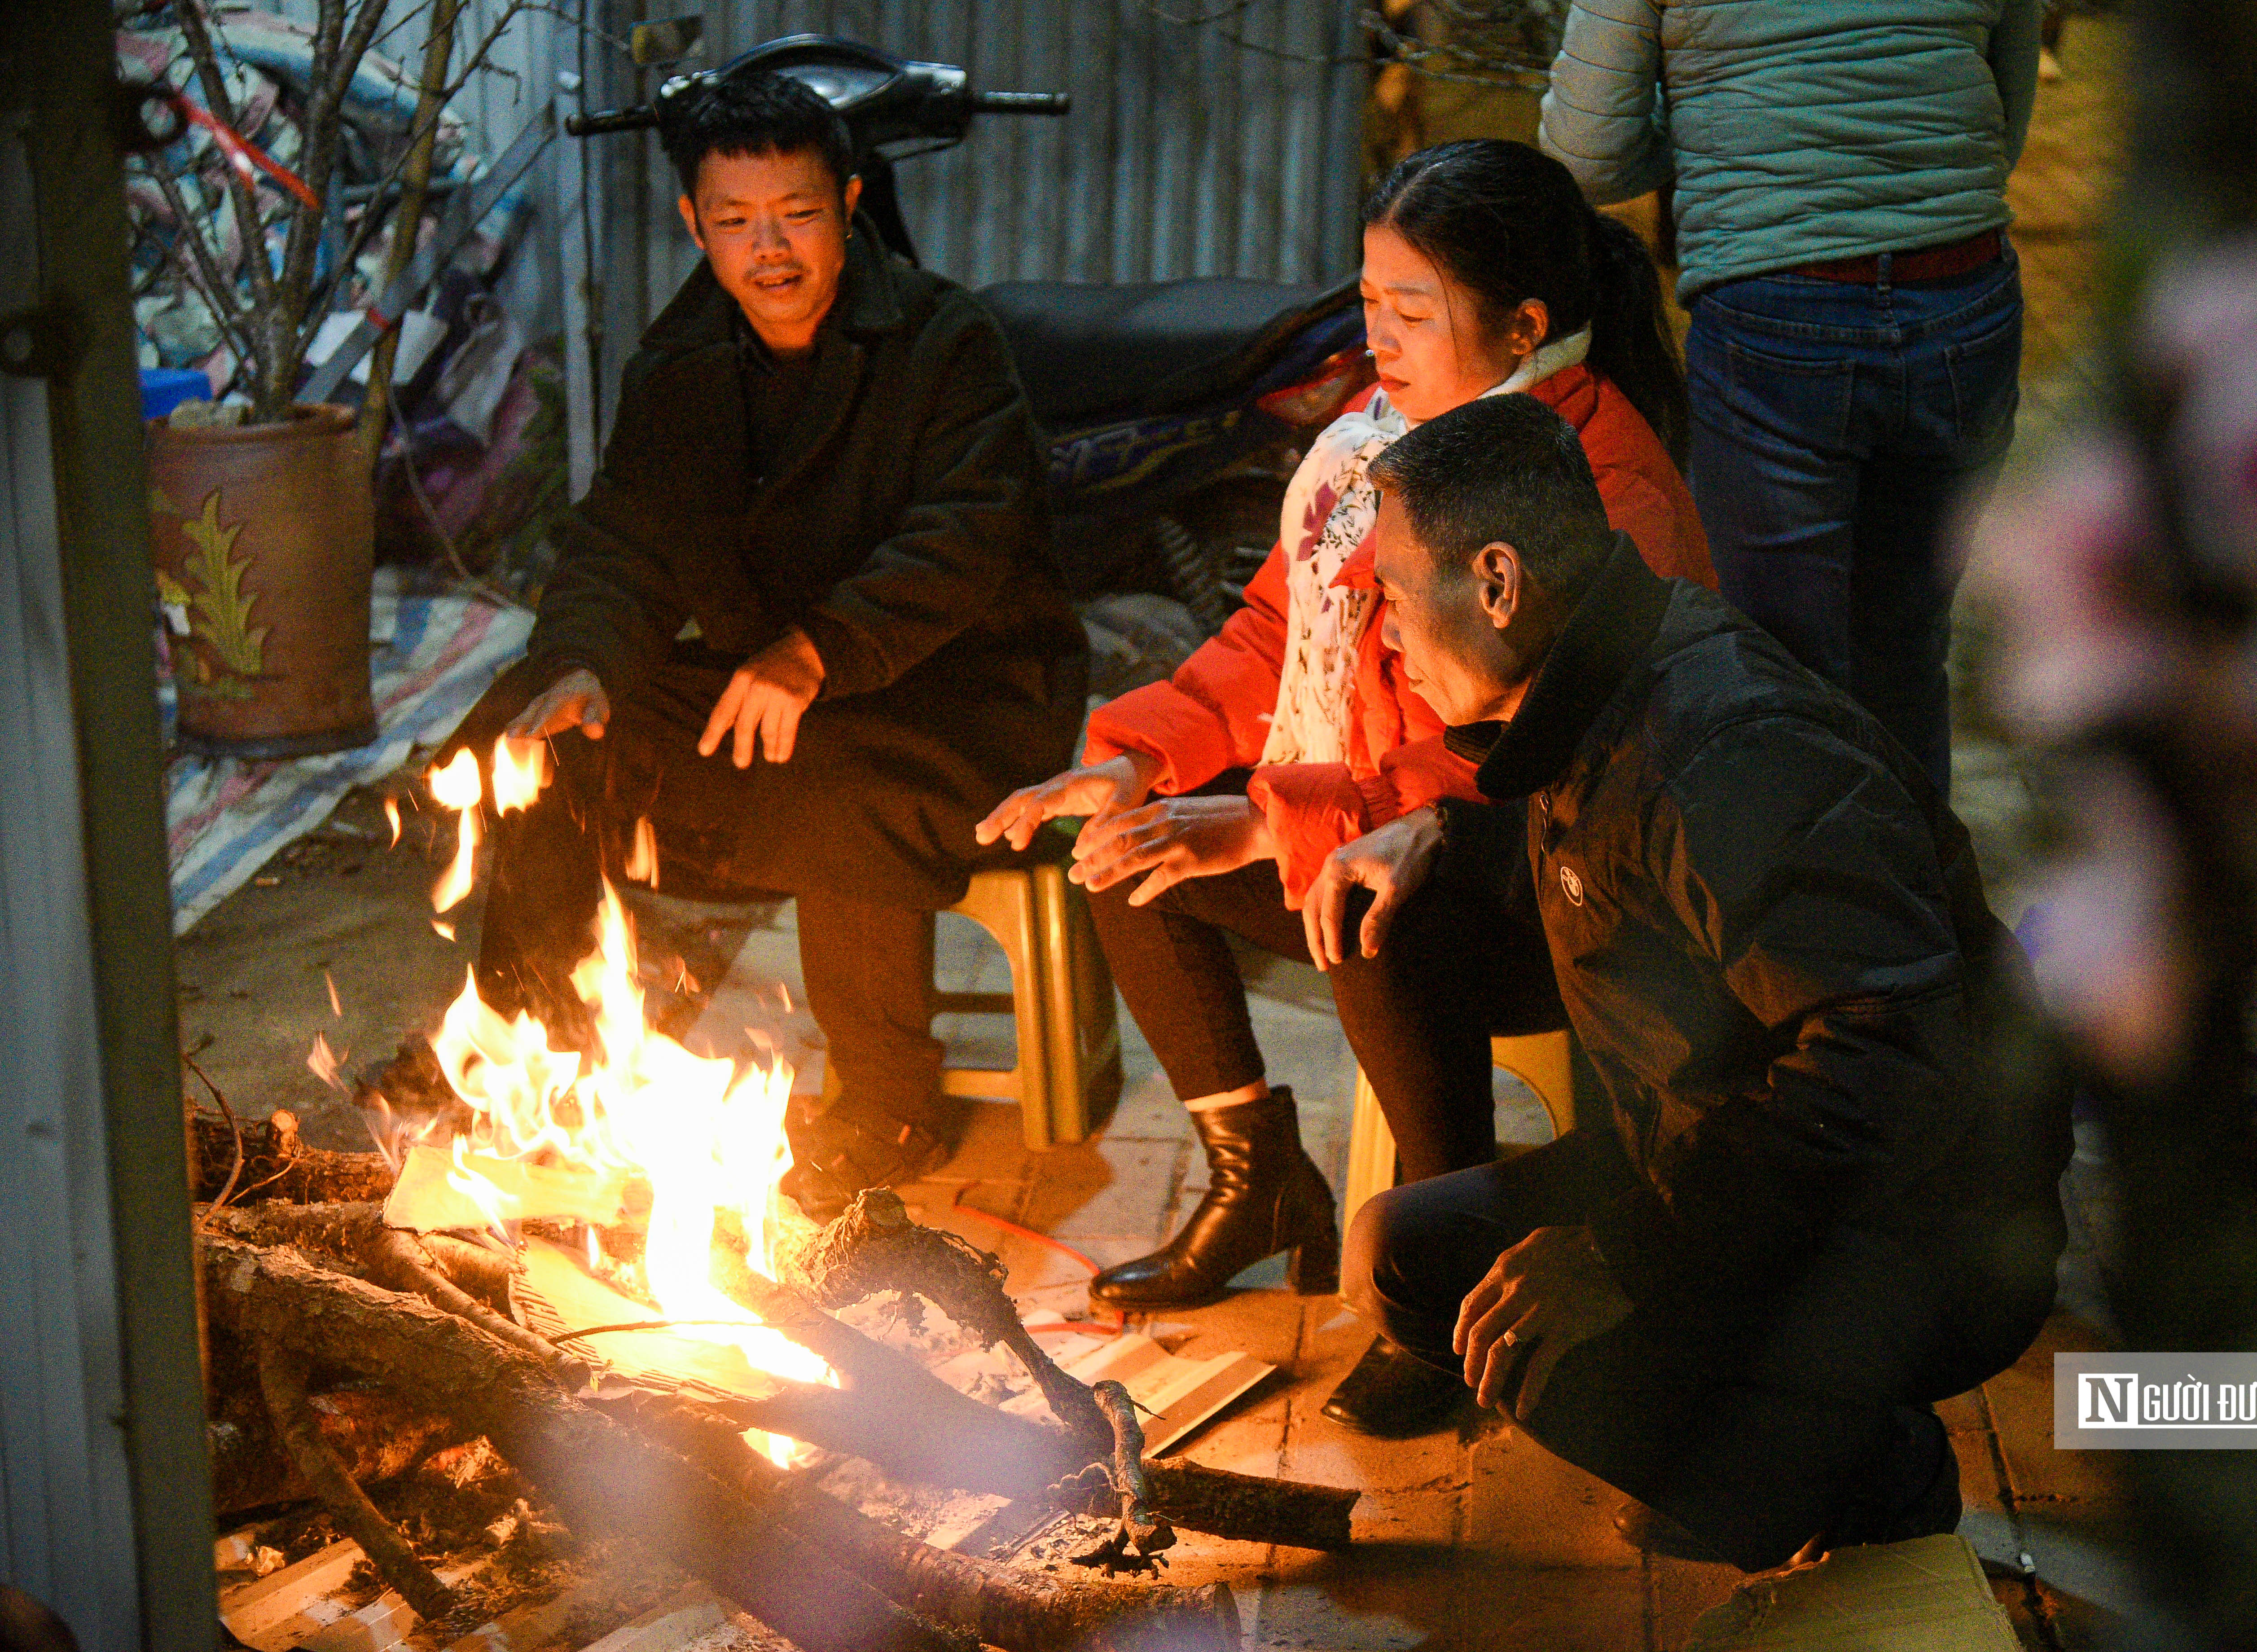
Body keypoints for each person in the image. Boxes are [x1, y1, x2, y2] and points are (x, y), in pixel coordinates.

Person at [977, 138, 1715, 1436]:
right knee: (1131, 846)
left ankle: (1448, 1286)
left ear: (1525, 325)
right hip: (1392, 825)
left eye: (1411, 312)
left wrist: (1278, 817)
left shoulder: (1599, 483)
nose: (1376, 338)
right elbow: (1273, 634)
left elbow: (1543, 749)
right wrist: (1134, 756)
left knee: (1365, 898)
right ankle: (1254, 1179)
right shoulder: (1378, 443)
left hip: (1570, 894)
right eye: (1369, 302)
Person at [1315, 394, 2070, 1568]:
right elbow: (1635, 894)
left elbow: (1889, 1054)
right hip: (1724, 1156)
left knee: (1541, 1337)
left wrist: (1623, 1251)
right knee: (1411, 1256)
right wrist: (1446, 844)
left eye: (1399, 590)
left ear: (1499, 584)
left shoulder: (1724, 746)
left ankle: (1874, 1476)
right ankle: (1767, 1450)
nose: (1384, 626)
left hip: (1926, 1222)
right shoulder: (1600, 698)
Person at [449, 71, 1085, 1207]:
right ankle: (524, 1053)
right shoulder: (682, 364)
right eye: (735, 222)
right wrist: (585, 663)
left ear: (847, 203)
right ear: (696, 225)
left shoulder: (947, 341)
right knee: (545, 728)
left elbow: (966, 537)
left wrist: (820, 650)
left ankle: (891, 1101)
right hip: (777, 689)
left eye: (796, 214)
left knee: (838, 782)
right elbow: (626, 541)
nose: (769, 250)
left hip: (964, 698)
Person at [1539, 0, 2042, 795]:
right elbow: (2005, 108)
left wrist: (1722, 127)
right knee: (1908, 649)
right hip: (1962, 293)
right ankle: (1920, 904)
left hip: (1776, 313)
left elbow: (1587, 152)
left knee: (1780, 665)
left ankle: (1817, 909)